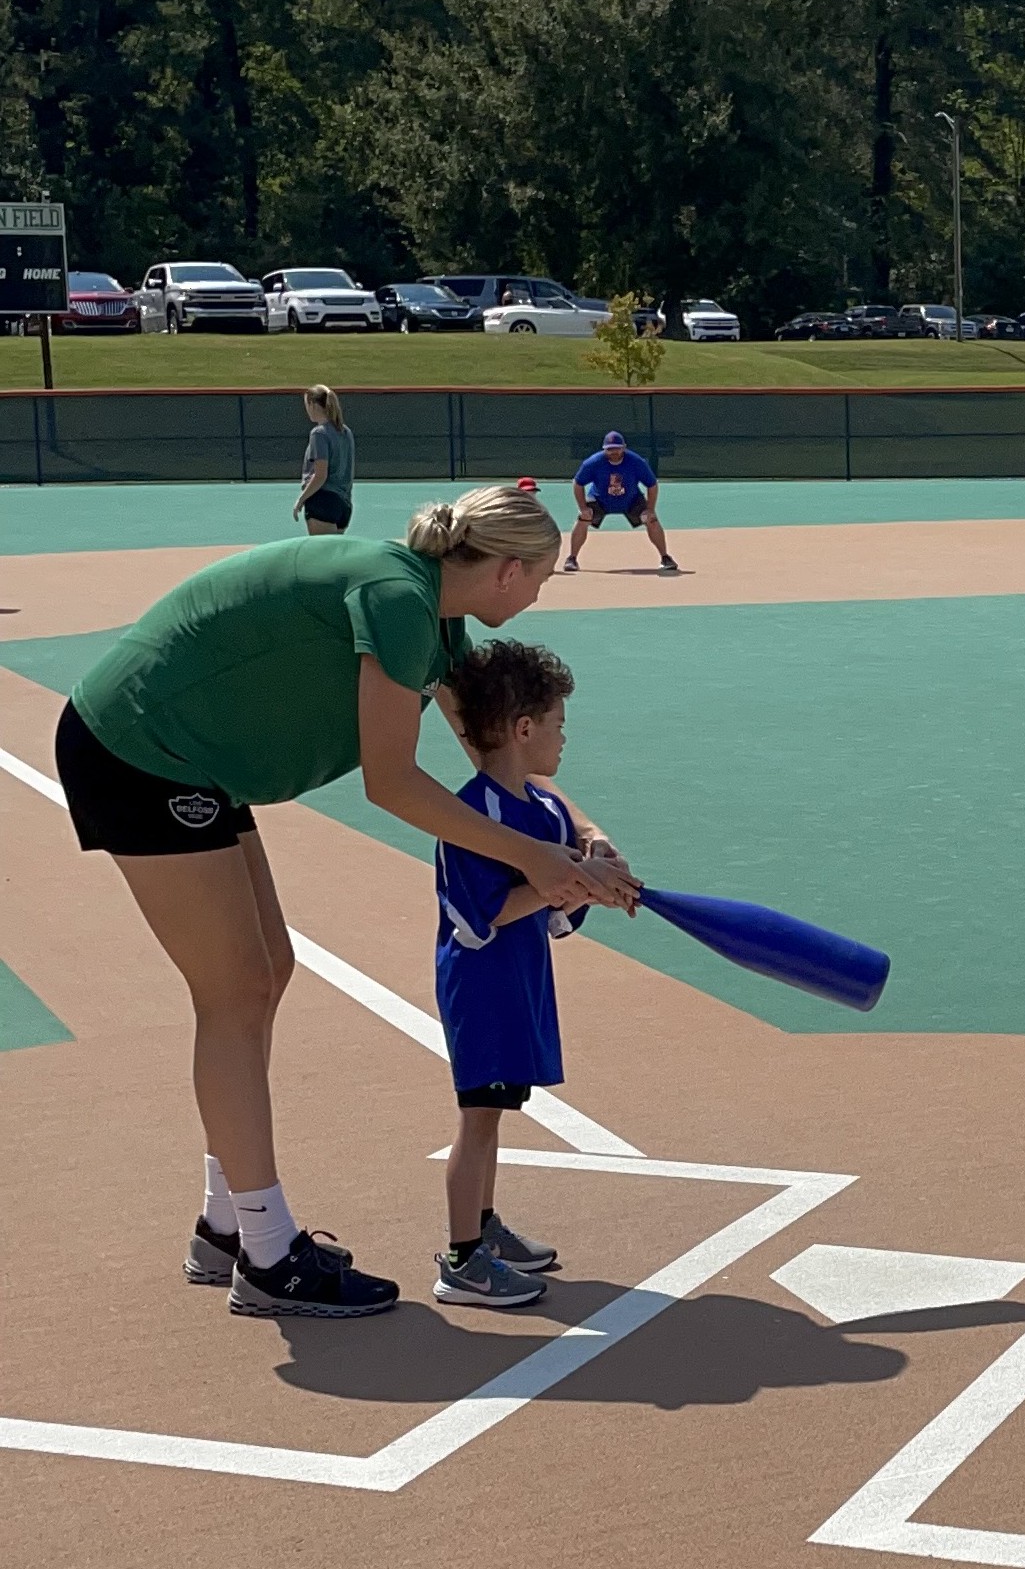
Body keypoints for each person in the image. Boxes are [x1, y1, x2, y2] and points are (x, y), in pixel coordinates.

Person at [53, 484, 634, 1320]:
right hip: (142, 748)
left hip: (197, 759)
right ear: (507, 571)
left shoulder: (436, 618)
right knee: (235, 989)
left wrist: (582, 837)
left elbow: (490, 747)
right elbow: (390, 782)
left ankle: (228, 1221)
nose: (543, 590)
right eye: (542, 575)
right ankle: (266, 1254)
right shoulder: (398, 598)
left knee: (267, 970)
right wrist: (534, 859)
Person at [433, 640, 625, 1308]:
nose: (563, 737)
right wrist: (564, 882)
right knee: (478, 1117)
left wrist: (591, 882)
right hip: (480, 986)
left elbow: (551, 909)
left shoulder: (543, 812)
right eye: (557, 723)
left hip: (521, 980)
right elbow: (476, 919)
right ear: (522, 729)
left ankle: (482, 1230)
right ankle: (461, 1261)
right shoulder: (470, 815)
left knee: (499, 1111)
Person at [564, 431, 678, 574]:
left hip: (631, 500)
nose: (614, 452)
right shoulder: (593, 463)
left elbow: (652, 484)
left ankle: (665, 557)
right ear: (604, 449)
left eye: (617, 448)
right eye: (610, 449)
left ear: (624, 447)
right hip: (600, 499)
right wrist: (582, 507)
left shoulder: (636, 462)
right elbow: (578, 483)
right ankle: (572, 558)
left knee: (652, 520)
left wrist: (650, 509)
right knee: (583, 519)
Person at [293, 384, 355, 534]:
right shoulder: (345, 432)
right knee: (335, 555)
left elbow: (320, 475)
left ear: (313, 405)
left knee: (322, 555)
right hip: (344, 503)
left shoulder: (319, 434)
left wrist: (300, 500)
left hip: (323, 501)